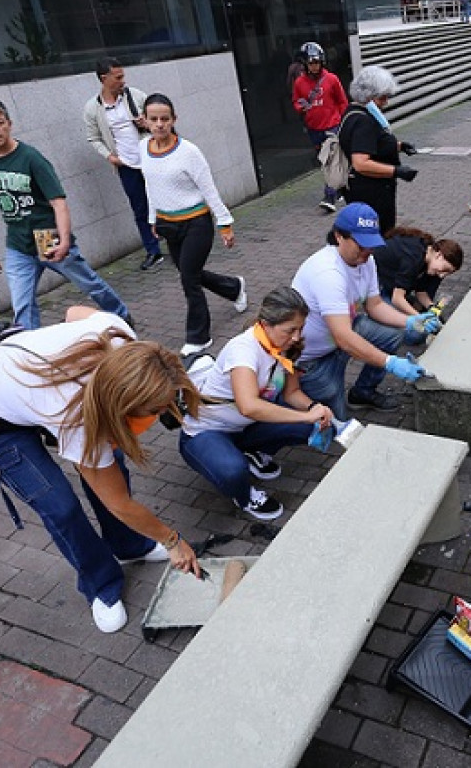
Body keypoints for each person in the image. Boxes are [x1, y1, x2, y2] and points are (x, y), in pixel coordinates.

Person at [0, 307, 201, 633]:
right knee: (59, 505)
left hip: (27, 391)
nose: (163, 414)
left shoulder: (121, 339)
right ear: (121, 402)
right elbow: (118, 502)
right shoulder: (74, 415)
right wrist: (173, 541)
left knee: (110, 463)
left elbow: (74, 311)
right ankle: (101, 585)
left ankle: (129, 546)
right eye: (157, 409)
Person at [0, 96, 132, 331]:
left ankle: (121, 317)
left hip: (47, 238)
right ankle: (33, 347)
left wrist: (65, 240)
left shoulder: (30, 158)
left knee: (90, 284)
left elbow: (58, 202)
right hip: (18, 245)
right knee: (22, 305)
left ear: (9, 124)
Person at [178, 286, 333, 522]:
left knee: (310, 425)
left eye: (300, 329)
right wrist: (305, 416)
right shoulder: (243, 350)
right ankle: (244, 496)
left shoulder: (285, 346)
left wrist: (314, 409)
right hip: (206, 431)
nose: (297, 337)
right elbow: (248, 406)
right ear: (266, 324)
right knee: (233, 471)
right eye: (290, 330)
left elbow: (292, 393)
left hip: (245, 425)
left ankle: (252, 450)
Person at [291, 203, 438, 418]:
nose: (367, 252)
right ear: (339, 236)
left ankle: (363, 392)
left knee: (393, 335)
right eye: (361, 245)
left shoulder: (365, 261)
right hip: (312, 357)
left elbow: (375, 305)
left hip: (340, 336)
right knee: (335, 418)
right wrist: (390, 363)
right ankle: (291, 396)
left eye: (371, 245)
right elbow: (343, 338)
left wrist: (410, 321)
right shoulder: (328, 273)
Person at [141, 94, 247, 358]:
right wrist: (153, 218)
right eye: (153, 119)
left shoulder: (189, 151)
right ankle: (233, 287)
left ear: (174, 120)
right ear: (144, 121)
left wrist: (225, 223)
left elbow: (208, 189)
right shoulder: (143, 148)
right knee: (191, 272)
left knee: (189, 278)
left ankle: (199, 337)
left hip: (196, 223)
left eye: (165, 119)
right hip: (168, 224)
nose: (159, 124)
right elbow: (150, 185)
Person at [83, 57, 164, 270]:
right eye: (118, 77)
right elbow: (93, 138)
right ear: (104, 79)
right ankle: (153, 251)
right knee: (140, 210)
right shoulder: (93, 108)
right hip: (126, 165)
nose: (122, 80)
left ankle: (176, 243)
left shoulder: (136, 96)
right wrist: (110, 157)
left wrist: (146, 123)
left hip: (151, 159)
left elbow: (159, 120)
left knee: (164, 202)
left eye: (123, 76)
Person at [338, 66, 418, 234]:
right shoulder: (363, 122)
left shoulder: (353, 112)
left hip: (362, 191)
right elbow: (361, 163)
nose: (385, 103)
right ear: (369, 96)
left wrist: (400, 146)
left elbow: (374, 143)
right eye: (382, 98)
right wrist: (396, 171)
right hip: (371, 193)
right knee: (378, 234)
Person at [373, 227, 463, 339]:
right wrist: (419, 319)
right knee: (413, 335)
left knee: (419, 326)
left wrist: (432, 308)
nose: (442, 275)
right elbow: (397, 299)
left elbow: (421, 291)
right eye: (445, 269)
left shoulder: (429, 260)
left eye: (448, 273)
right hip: (377, 284)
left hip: (394, 286)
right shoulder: (413, 258)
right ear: (439, 255)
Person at [291, 41, 349, 212]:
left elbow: (342, 101)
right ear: (305, 64)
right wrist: (301, 107)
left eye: (317, 62)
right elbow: (296, 100)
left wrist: (341, 120)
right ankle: (339, 188)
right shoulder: (300, 83)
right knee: (325, 162)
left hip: (332, 127)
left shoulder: (331, 79)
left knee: (331, 160)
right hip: (313, 128)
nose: (315, 66)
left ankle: (329, 195)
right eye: (311, 63)